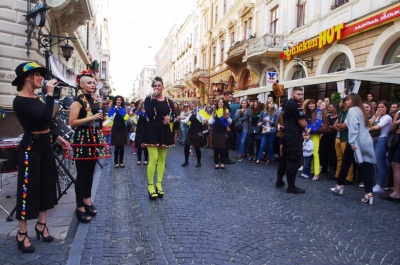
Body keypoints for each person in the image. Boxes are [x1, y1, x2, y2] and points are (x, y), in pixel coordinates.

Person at [11, 62, 70, 253]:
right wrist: (50, 94)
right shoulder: (19, 101)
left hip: (45, 145)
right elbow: (43, 117)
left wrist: (58, 137)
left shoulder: (37, 97)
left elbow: (48, 123)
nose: (41, 78)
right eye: (37, 75)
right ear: (27, 77)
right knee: (27, 189)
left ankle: (41, 225)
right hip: (31, 148)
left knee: (46, 185)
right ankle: (22, 233)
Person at [68, 70, 110, 223]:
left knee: (91, 171)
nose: (93, 85)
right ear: (81, 85)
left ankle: (87, 200)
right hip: (82, 139)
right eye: (89, 83)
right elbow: (72, 122)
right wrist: (92, 117)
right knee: (82, 174)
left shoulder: (92, 100)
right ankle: (79, 207)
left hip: (93, 138)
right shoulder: (77, 101)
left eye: (93, 83)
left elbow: (95, 120)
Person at [331, 94, 376, 204]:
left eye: (348, 100)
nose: (346, 102)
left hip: (355, 142)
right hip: (366, 141)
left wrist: (351, 142)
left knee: (345, 163)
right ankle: (368, 193)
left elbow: (354, 127)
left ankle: (339, 185)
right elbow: (349, 124)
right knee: (366, 166)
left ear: (353, 100)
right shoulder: (361, 111)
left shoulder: (352, 110)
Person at [142, 76, 175, 200]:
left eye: (159, 85)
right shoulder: (148, 99)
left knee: (162, 159)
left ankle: (159, 184)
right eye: (155, 86)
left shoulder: (168, 101)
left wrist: (170, 117)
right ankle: (150, 185)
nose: (157, 88)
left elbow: (173, 112)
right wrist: (151, 98)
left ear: (162, 87)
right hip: (152, 130)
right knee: (153, 158)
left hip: (164, 130)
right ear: (152, 87)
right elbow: (149, 113)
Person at [276, 87, 308, 194]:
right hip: (293, 136)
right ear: (292, 94)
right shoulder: (294, 105)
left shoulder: (286, 104)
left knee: (284, 159)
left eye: (302, 94)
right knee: (293, 160)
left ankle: (279, 180)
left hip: (287, 134)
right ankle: (291, 186)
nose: (300, 96)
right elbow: (303, 123)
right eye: (298, 94)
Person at [369, 100, 392, 193]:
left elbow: (377, 127)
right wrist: (375, 116)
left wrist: (365, 130)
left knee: (380, 164)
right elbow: (369, 123)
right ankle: (377, 183)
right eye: (378, 107)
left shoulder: (387, 117)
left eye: (382, 107)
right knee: (375, 164)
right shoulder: (378, 117)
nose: (380, 109)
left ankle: (381, 185)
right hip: (374, 140)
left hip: (382, 140)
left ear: (387, 108)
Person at [181, 102, 209, 167]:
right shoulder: (191, 113)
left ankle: (199, 162)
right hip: (190, 132)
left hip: (197, 132)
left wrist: (205, 121)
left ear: (197, 106)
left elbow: (203, 119)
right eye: (191, 106)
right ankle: (186, 161)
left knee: (197, 148)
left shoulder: (200, 112)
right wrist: (180, 119)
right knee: (186, 146)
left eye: (192, 105)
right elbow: (186, 120)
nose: (191, 107)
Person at [304, 99, 323, 181]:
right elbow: (307, 122)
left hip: (315, 134)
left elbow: (319, 121)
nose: (311, 105)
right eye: (309, 104)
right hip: (309, 134)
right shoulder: (308, 112)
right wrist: (307, 129)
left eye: (313, 104)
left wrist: (310, 129)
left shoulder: (318, 111)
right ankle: (311, 170)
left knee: (315, 153)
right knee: (310, 153)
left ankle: (316, 172)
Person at [209, 98, 231, 169]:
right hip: (216, 131)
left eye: (222, 102)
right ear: (217, 103)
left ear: (224, 104)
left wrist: (228, 118)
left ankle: (222, 162)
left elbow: (230, 121)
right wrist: (210, 120)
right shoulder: (214, 111)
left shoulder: (226, 111)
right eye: (219, 102)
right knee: (216, 148)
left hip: (223, 131)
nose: (220, 103)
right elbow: (210, 121)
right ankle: (216, 162)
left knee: (222, 148)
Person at [108, 95, 129, 168]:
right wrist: (115, 111)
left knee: (122, 147)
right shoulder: (112, 109)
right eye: (117, 100)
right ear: (115, 101)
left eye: (120, 100)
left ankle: (121, 162)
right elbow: (110, 118)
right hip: (116, 129)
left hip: (123, 129)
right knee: (116, 147)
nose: (119, 101)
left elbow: (126, 118)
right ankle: (116, 162)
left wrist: (124, 113)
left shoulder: (123, 109)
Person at [255, 100, 278, 165]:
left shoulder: (275, 113)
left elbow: (275, 124)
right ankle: (258, 159)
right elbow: (260, 122)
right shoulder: (264, 113)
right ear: (267, 105)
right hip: (265, 130)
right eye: (269, 103)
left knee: (270, 145)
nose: (271, 104)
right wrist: (262, 125)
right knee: (262, 145)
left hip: (272, 131)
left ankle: (268, 159)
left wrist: (269, 121)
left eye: (272, 103)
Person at [134, 101, 149, 165]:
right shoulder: (137, 112)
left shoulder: (148, 113)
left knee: (145, 146)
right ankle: (139, 159)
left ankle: (146, 159)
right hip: (139, 130)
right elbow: (134, 122)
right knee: (139, 146)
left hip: (146, 131)